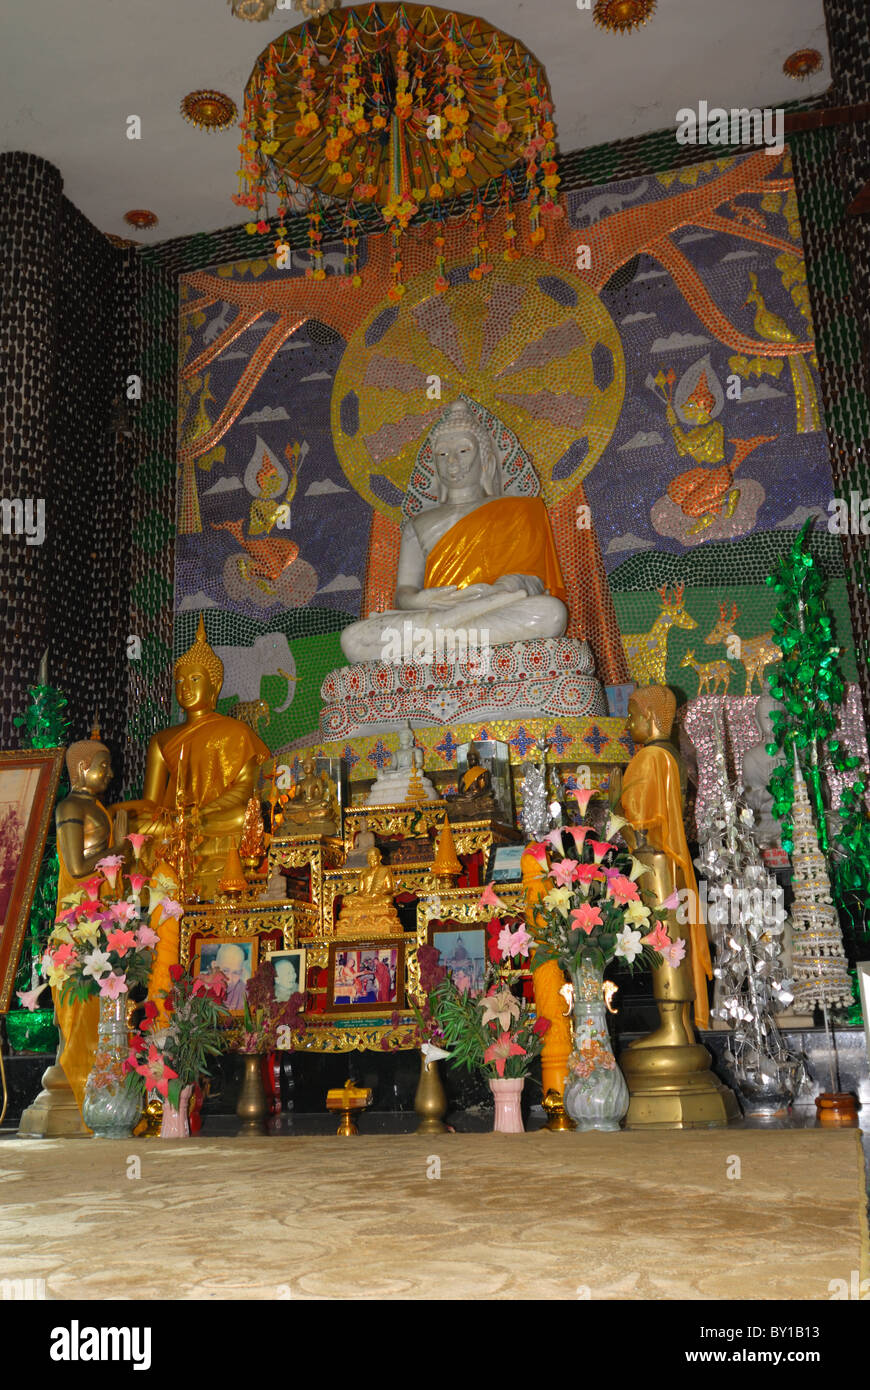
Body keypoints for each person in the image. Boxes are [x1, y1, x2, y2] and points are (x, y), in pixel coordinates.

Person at [340, 400, 568, 663]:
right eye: (442, 454)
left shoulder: (519, 510)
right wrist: (420, 601)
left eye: (463, 450)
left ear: (486, 460)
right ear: (434, 466)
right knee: (353, 639)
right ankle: (453, 638)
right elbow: (404, 591)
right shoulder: (418, 523)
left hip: (491, 609)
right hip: (439, 616)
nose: (452, 462)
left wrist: (503, 587)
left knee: (550, 613)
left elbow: (535, 581)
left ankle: (438, 645)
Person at [113, 614, 269, 898]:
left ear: (216, 686)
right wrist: (117, 811)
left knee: (243, 819)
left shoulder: (236, 731)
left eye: (195, 678)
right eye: (180, 680)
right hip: (172, 822)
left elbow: (244, 793)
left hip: (214, 820)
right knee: (131, 826)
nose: (185, 686)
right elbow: (152, 801)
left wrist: (199, 815)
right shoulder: (161, 739)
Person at [213, 942, 248, 1010]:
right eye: (225, 971)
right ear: (214, 967)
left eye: (236, 973)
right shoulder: (202, 989)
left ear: (241, 972)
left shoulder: (246, 994)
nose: (229, 980)